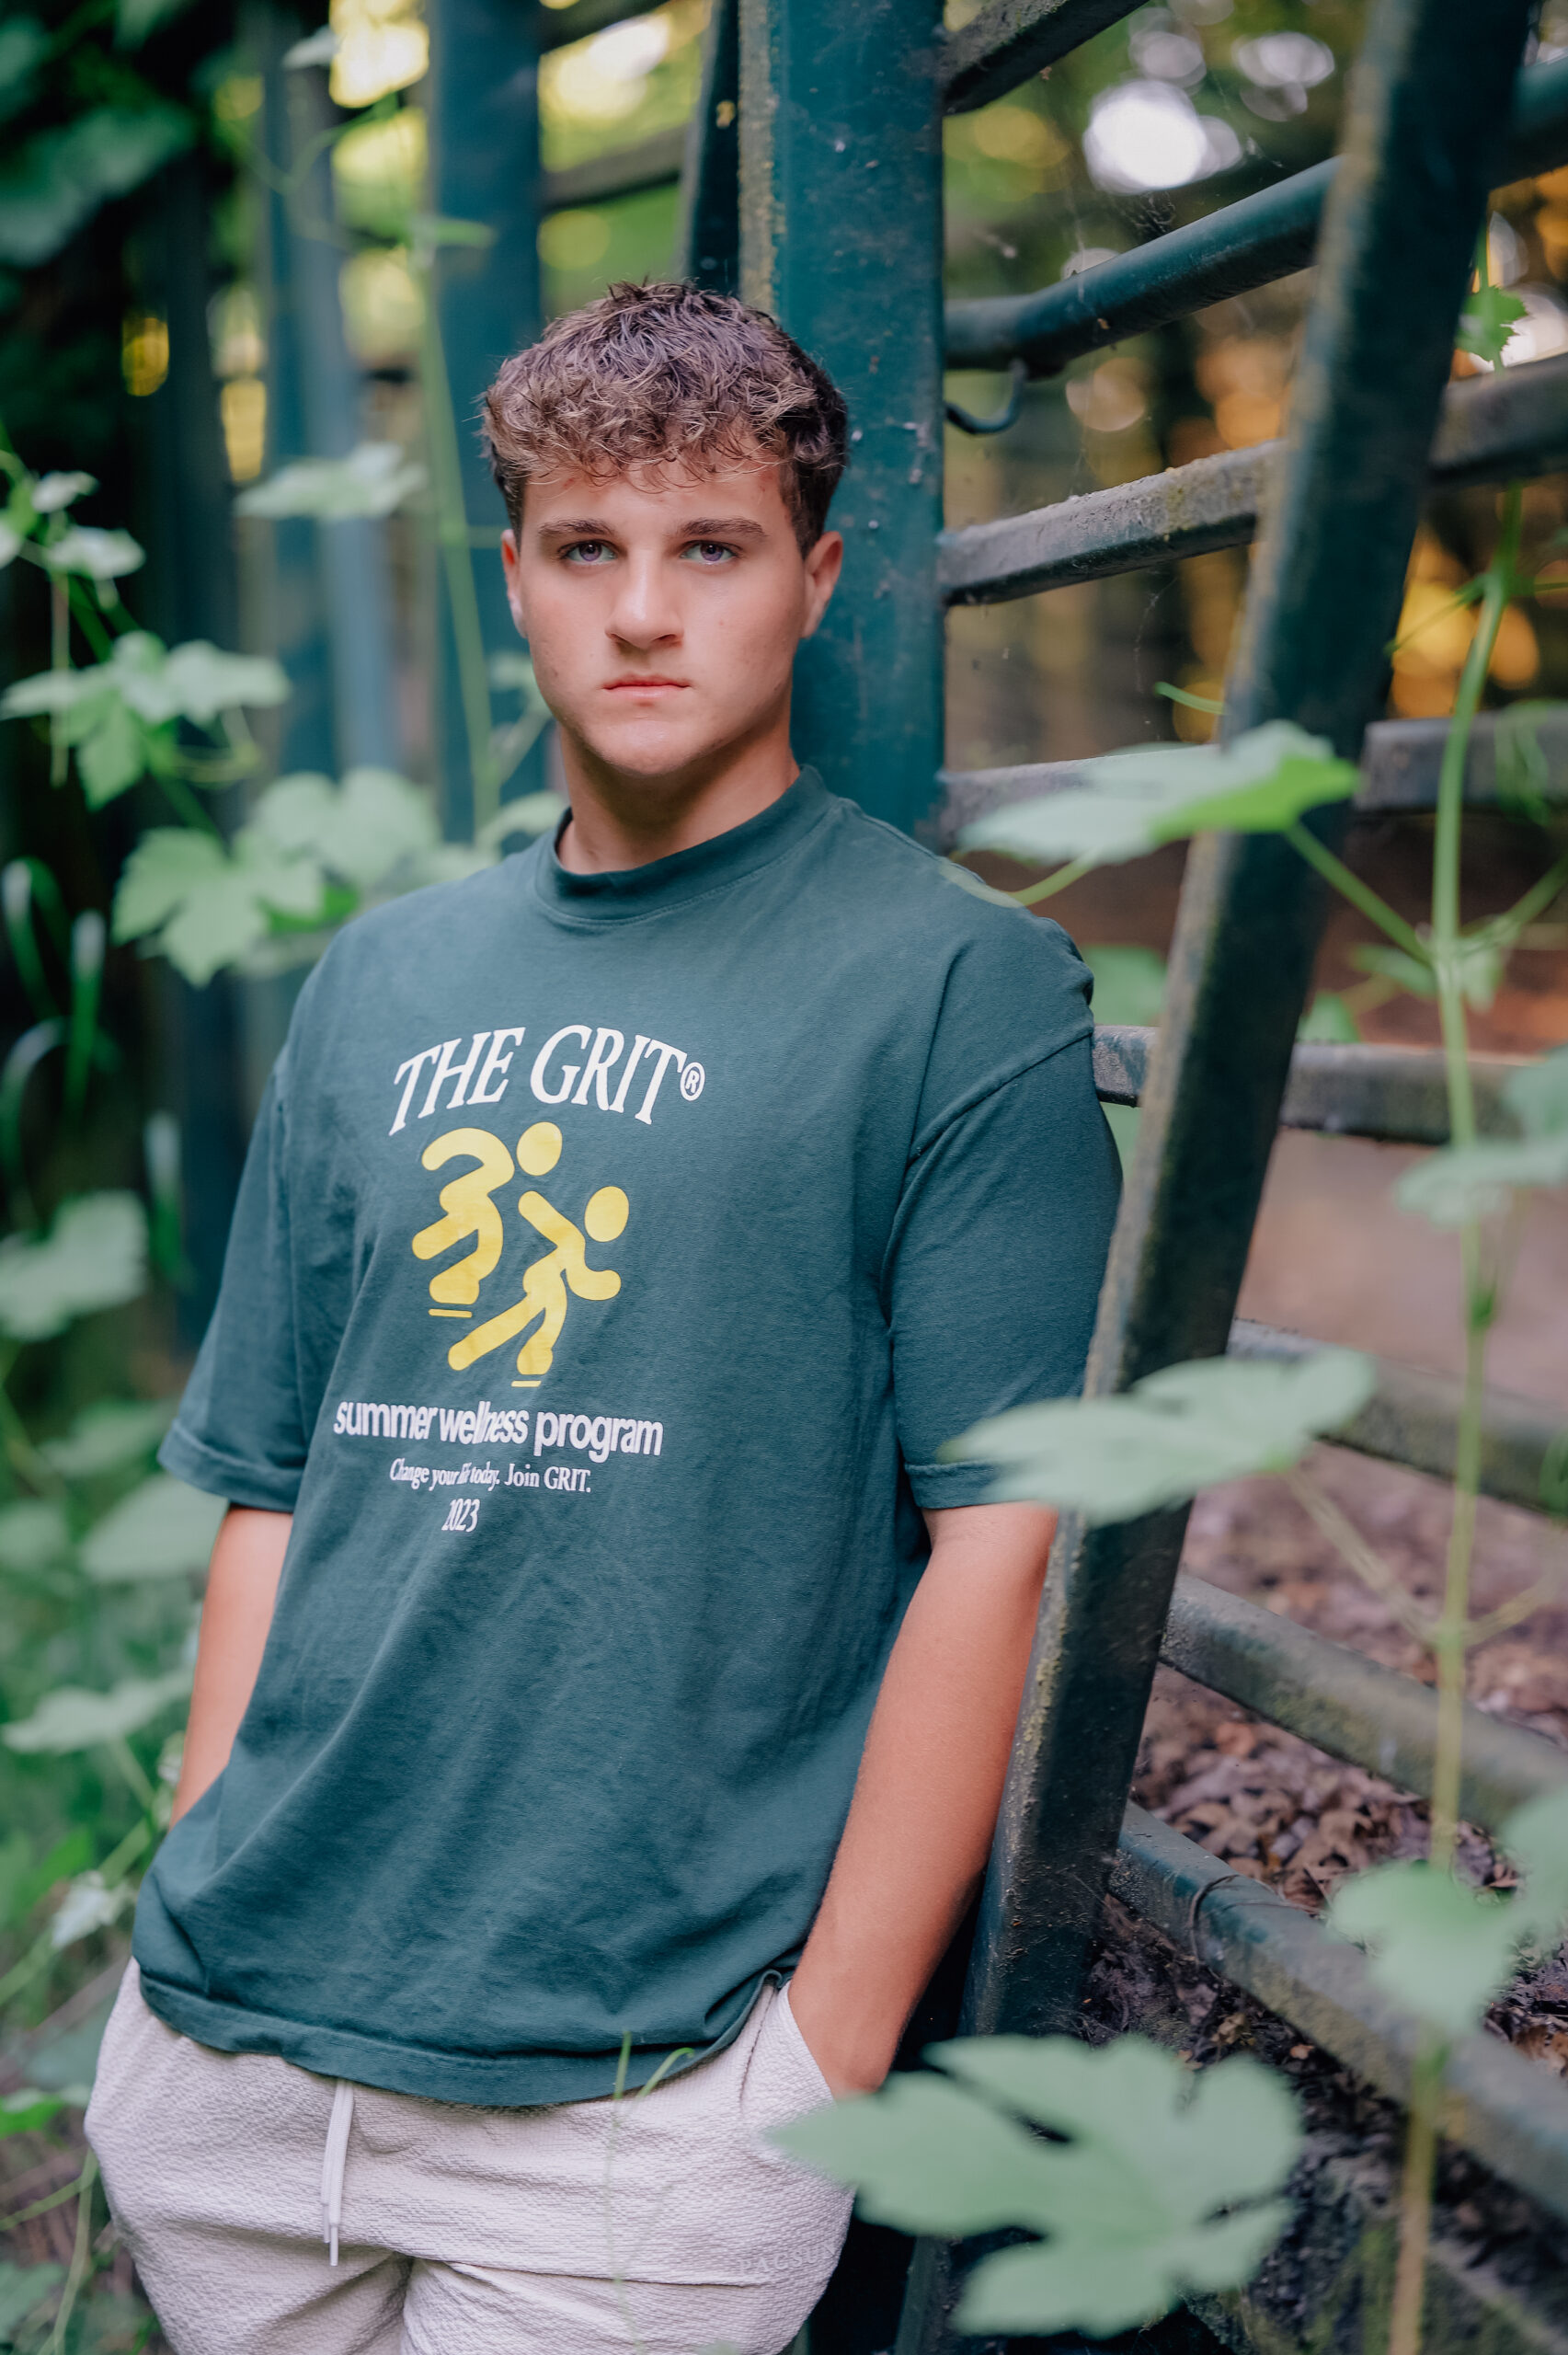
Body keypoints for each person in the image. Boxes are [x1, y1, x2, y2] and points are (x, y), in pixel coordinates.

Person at [86, 281, 1121, 2355]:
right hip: (236, 2059)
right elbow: (274, 1480)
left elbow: (999, 1542)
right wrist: (191, 1885)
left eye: (710, 547)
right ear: (518, 581)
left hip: (637, 2115)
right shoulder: (380, 982)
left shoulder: (956, 991)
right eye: (588, 548)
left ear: (813, 579)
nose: (644, 611)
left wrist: (810, 2072)